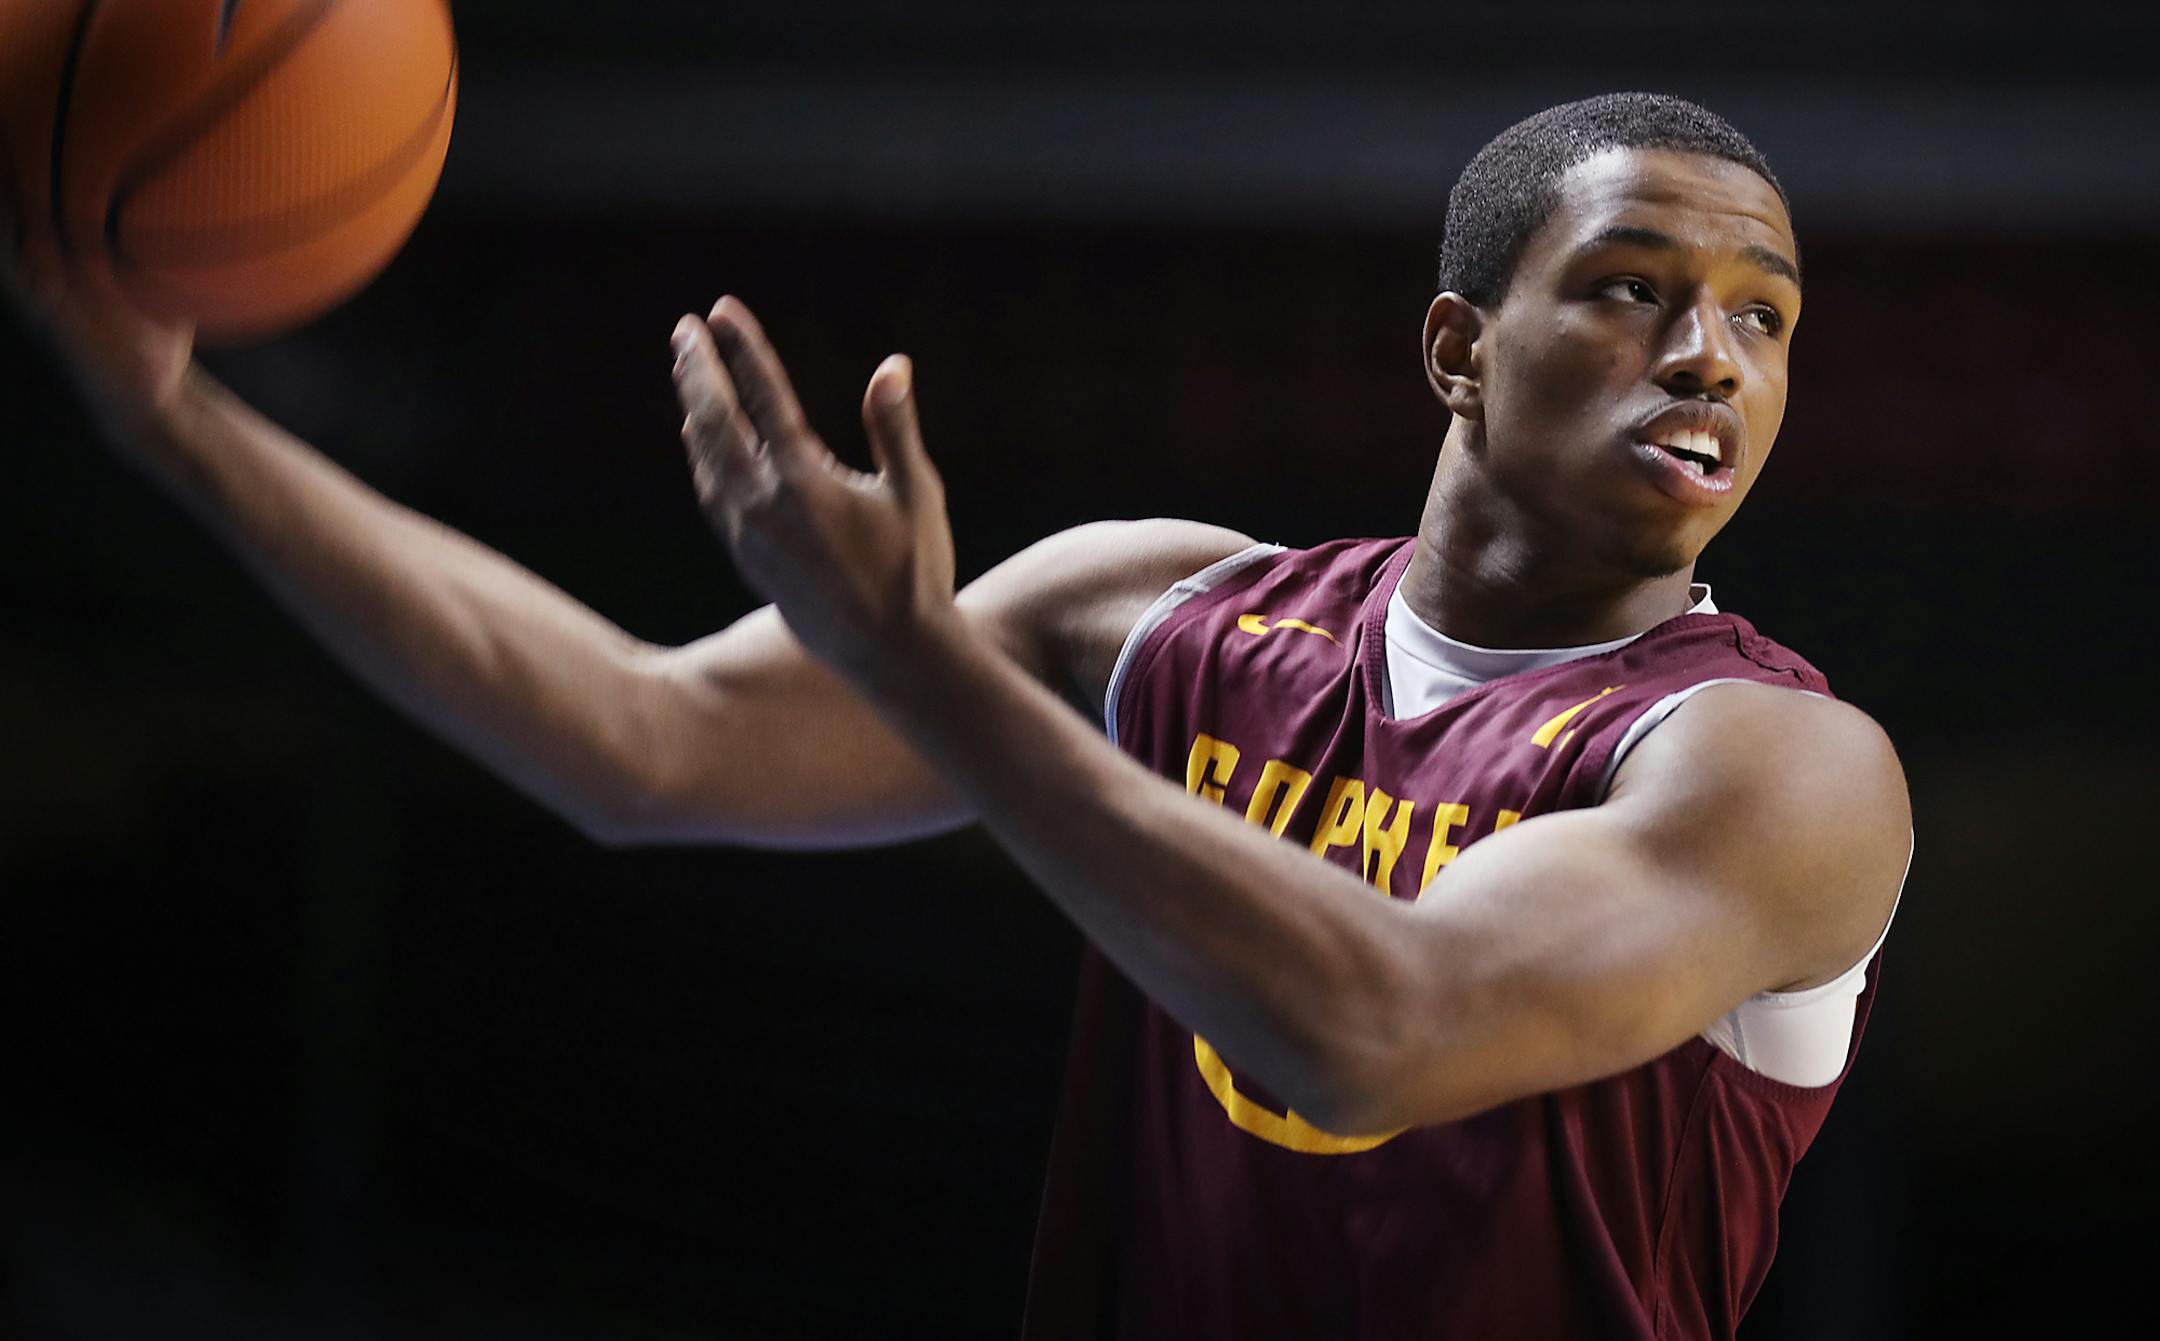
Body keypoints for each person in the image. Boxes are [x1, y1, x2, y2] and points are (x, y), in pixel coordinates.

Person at [9, 92, 1909, 1338]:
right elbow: (635, 742)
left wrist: (910, 656)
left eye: (1765, 317)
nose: (1707, 355)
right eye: (1637, 288)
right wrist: (174, 423)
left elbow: (1372, 1029)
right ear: (1456, 349)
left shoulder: (1770, 762)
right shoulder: (1171, 613)